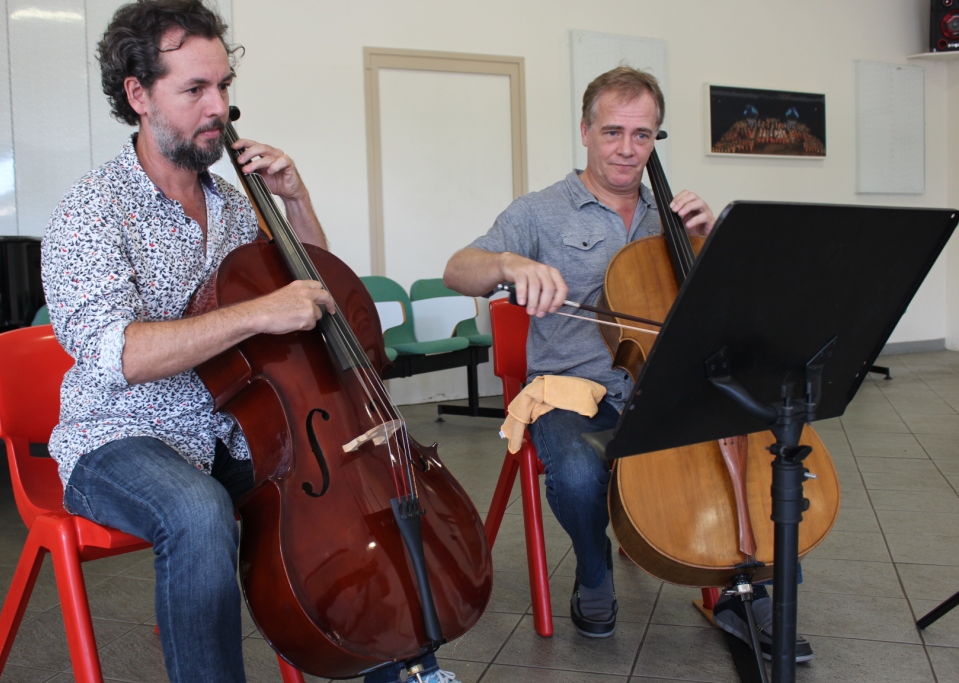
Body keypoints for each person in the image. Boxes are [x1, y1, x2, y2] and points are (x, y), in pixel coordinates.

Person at [41, 2, 455, 682]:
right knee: (199, 511)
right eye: (195, 89)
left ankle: (405, 666)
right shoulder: (92, 210)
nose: (220, 107)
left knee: (355, 485)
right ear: (138, 95)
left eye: (225, 86)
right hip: (117, 436)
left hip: (234, 427)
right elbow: (123, 354)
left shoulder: (237, 204)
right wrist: (258, 313)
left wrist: (295, 202)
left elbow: (329, 299)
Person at [443, 65, 813, 663]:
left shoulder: (669, 215)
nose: (627, 149)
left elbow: (719, 310)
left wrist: (712, 241)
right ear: (586, 131)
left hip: (664, 385)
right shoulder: (540, 212)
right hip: (572, 388)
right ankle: (593, 572)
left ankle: (750, 588)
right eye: (612, 132)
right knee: (579, 471)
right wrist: (511, 266)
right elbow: (458, 268)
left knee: (765, 443)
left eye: (642, 135)